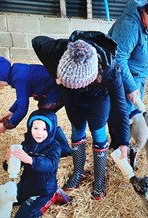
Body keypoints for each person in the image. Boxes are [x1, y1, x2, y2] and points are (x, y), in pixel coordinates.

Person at [31, 30, 130, 200]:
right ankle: (78, 172)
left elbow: (120, 108)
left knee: (98, 132)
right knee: (77, 129)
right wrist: (55, 74)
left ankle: (99, 179)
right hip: (71, 97)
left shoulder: (110, 70)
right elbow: (36, 40)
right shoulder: (57, 50)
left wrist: (123, 141)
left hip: (98, 99)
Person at [107, 0, 148, 148]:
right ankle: (119, 146)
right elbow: (118, 58)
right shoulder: (129, 26)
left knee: (133, 113)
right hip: (123, 79)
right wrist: (130, 86)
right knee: (121, 115)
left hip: (138, 78)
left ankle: (125, 142)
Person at [3, 110, 70, 217]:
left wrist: (31, 160)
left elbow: (51, 164)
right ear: (30, 128)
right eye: (35, 128)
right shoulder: (26, 144)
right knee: (3, 199)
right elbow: (15, 167)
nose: (39, 133)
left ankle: (50, 198)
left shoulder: (55, 147)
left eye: (44, 129)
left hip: (43, 190)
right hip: (25, 185)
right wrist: (9, 161)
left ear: (51, 130)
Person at [0, 56, 63, 133]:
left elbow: (22, 109)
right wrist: (8, 114)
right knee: (43, 117)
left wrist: (7, 125)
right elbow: (22, 98)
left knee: (42, 118)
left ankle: (48, 140)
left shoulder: (19, 79)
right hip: (50, 89)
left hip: (54, 92)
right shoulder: (17, 71)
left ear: (0, 77)